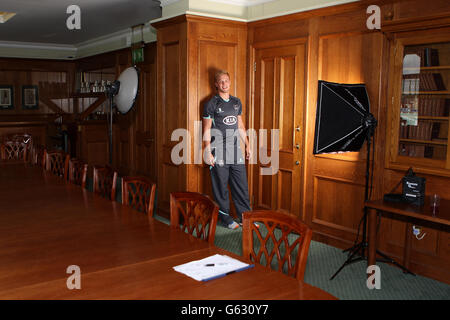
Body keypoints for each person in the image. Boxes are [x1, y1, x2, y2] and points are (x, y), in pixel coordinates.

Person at [202, 70, 252, 229]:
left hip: (235, 150)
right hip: (218, 151)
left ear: (230, 82)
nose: (224, 84)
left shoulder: (237, 102)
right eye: (221, 81)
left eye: (226, 81)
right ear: (216, 84)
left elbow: (240, 126)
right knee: (220, 187)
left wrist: (248, 145)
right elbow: (207, 129)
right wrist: (207, 151)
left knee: (241, 186)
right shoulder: (211, 103)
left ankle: (246, 218)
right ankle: (226, 219)